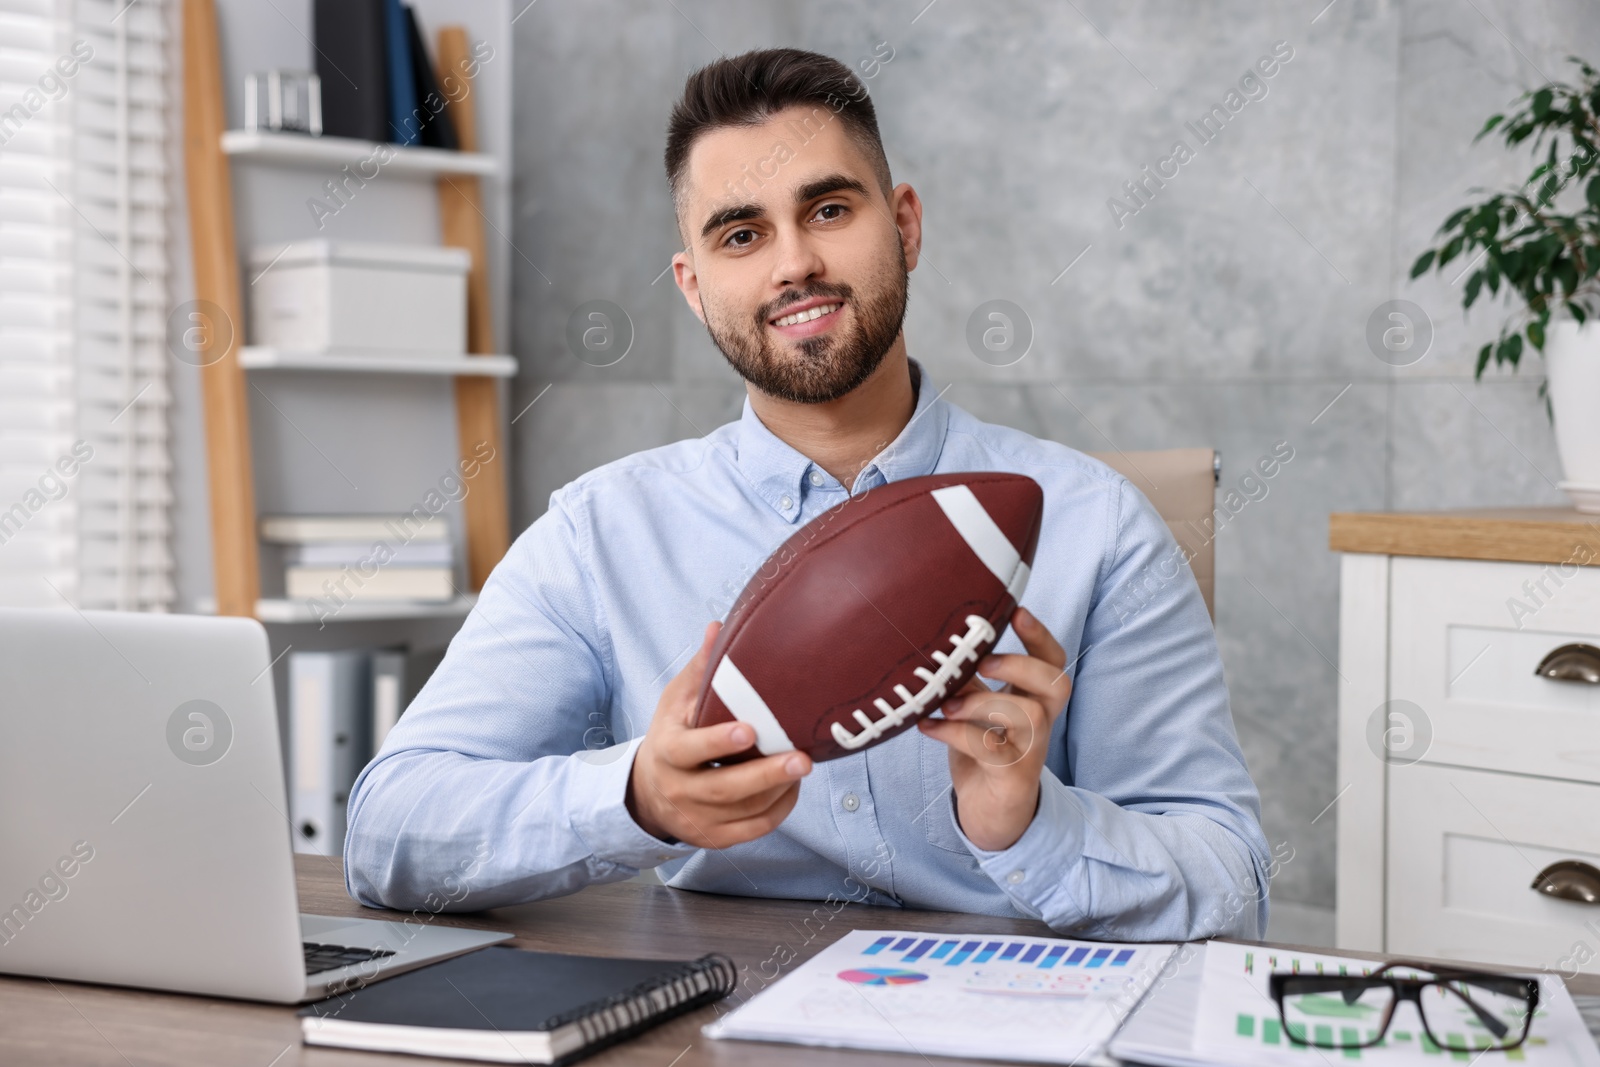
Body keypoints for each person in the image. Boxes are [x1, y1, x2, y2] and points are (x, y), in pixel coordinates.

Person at [344, 47, 1272, 940]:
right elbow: (389, 832)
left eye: (828, 209)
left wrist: (1026, 822)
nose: (793, 263)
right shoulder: (602, 533)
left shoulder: (1095, 525)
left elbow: (1231, 881)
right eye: (741, 234)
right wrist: (638, 796)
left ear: (904, 225)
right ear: (694, 287)